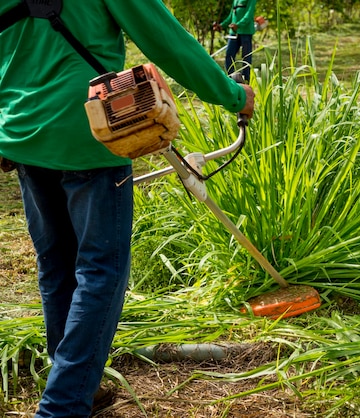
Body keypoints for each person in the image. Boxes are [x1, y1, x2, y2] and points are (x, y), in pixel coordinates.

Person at [0, 1, 254, 417]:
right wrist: (231, 95)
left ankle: (79, 382)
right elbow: (166, 40)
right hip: (93, 134)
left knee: (57, 265)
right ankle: (62, 406)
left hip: (23, 133)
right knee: (100, 270)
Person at [215, 0, 258, 81]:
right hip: (234, 32)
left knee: (246, 57)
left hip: (246, 32)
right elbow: (231, 15)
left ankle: (246, 79)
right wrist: (221, 25)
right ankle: (230, 78)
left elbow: (249, 14)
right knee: (229, 55)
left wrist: (238, 24)